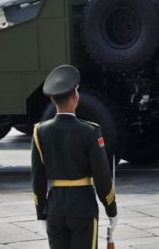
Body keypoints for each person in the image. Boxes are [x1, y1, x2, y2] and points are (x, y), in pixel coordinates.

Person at [32, 64, 119, 249]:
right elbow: (102, 176)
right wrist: (111, 209)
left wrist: (41, 214)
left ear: (53, 99)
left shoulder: (40, 131)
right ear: (75, 97)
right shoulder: (90, 131)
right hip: (83, 207)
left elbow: (37, 179)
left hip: (55, 208)